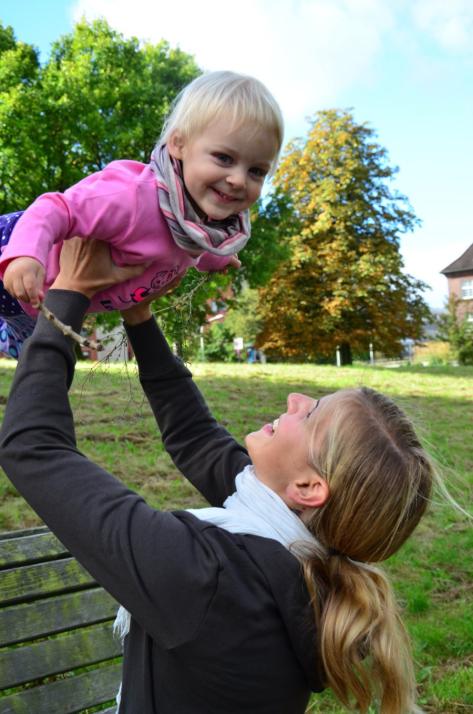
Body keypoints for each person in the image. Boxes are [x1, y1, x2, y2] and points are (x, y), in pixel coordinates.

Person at [0, 239, 434, 714]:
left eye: (310, 416)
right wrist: (138, 316)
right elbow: (195, 438)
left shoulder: (208, 577)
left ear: (310, 488)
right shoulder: (301, 556)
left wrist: (69, 293)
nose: (294, 398)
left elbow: (32, 447)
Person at [0, 70, 283, 357]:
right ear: (179, 145)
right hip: (19, 254)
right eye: (224, 158)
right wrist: (25, 253)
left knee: (35, 357)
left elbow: (190, 245)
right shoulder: (132, 196)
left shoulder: (203, 220)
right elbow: (55, 207)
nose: (238, 179)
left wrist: (214, 257)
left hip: (38, 303)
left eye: (256, 171)